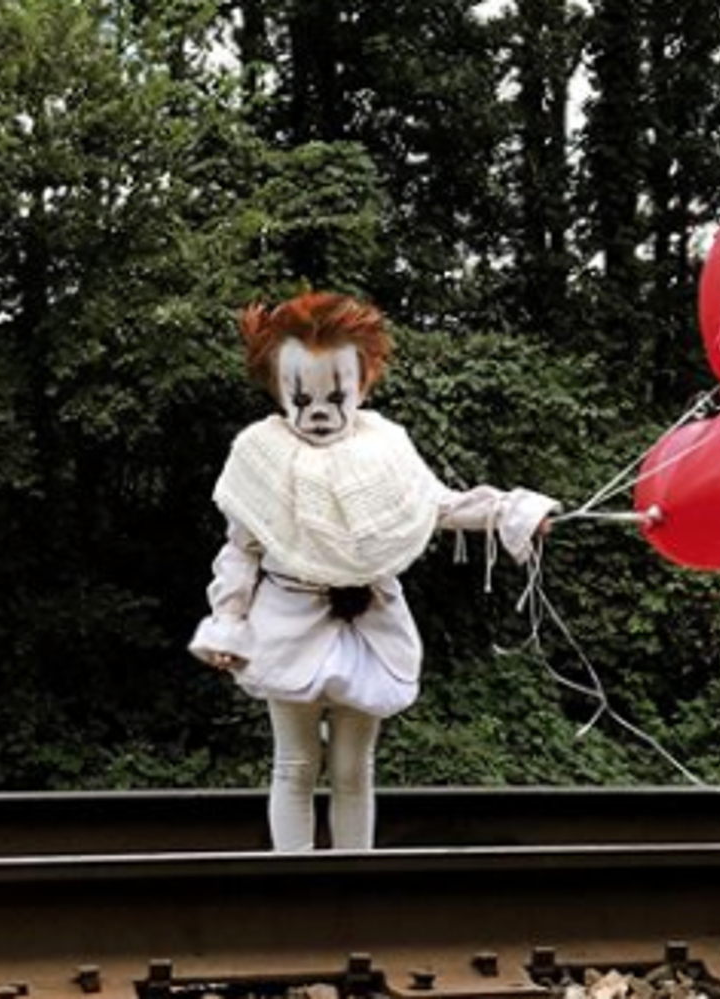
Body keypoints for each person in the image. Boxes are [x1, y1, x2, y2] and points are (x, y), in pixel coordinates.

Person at [188, 291, 559, 851]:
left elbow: (436, 506)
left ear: (363, 383)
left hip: (370, 620)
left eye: (336, 394)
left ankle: (352, 888)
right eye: (301, 395)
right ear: (276, 386)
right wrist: (227, 619)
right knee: (293, 763)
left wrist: (512, 511)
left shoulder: (385, 446)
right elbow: (241, 548)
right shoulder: (257, 454)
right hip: (288, 621)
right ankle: (296, 889)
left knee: (354, 767)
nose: (318, 410)